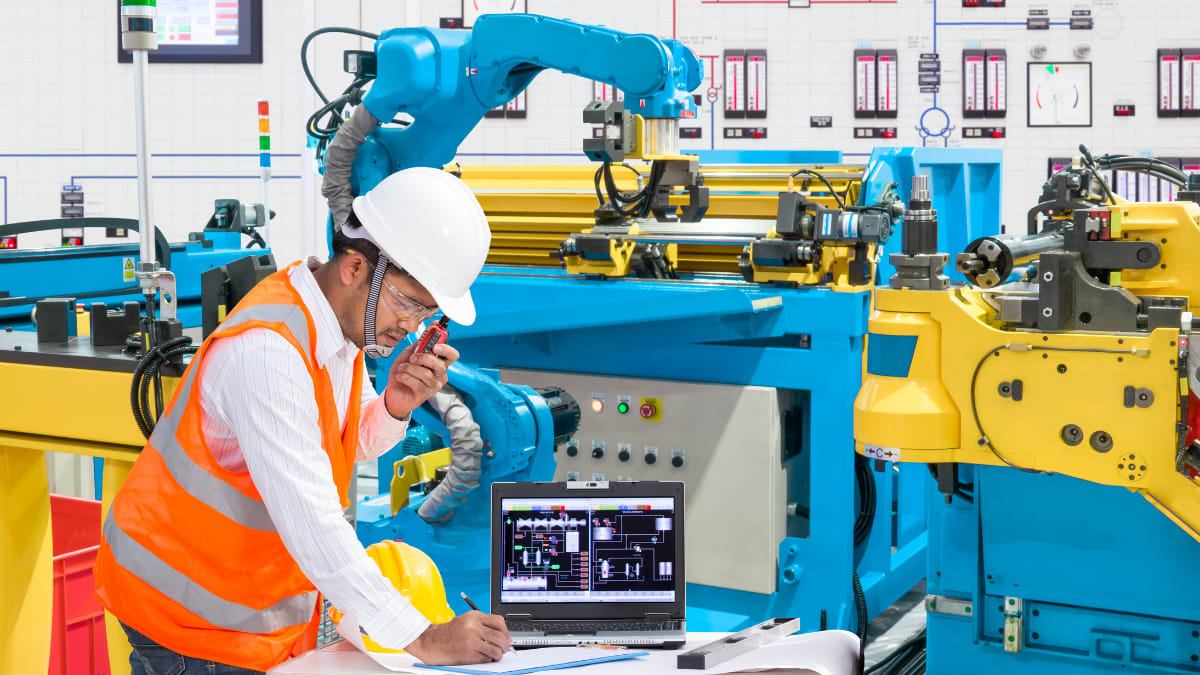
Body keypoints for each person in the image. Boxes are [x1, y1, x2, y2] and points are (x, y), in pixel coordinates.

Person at [95, 167, 512, 674]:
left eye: (426, 314)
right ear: (355, 268)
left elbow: (342, 444)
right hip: (188, 613)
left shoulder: (336, 329)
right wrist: (422, 638)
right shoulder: (268, 354)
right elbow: (313, 523)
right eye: (408, 303)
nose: (411, 326)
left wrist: (394, 405)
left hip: (242, 599)